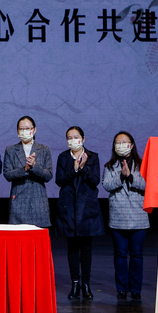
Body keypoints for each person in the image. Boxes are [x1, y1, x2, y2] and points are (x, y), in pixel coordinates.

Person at [56, 126, 104, 300]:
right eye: (69, 138)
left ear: (83, 139)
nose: (73, 140)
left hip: (87, 209)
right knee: (72, 246)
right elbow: (59, 180)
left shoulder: (92, 157)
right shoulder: (63, 157)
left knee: (86, 247)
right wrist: (74, 169)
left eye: (76, 137)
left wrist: (83, 168)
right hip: (68, 208)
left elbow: (95, 181)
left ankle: (86, 284)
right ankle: (75, 283)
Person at [102, 131, 149, 301]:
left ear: (132, 144)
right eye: (118, 143)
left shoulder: (142, 164)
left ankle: (135, 289)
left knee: (137, 255)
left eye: (124, 142)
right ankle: (121, 289)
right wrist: (121, 176)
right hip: (118, 217)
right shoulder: (109, 166)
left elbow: (148, 185)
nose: (121, 145)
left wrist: (131, 177)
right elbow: (106, 185)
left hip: (138, 217)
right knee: (120, 254)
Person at [2, 116, 52, 228]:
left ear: (34, 130)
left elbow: (48, 175)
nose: (24, 131)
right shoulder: (11, 150)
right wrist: (24, 169)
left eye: (28, 128)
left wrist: (34, 166)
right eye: (21, 129)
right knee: (18, 236)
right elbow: (7, 174)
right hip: (18, 201)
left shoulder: (44, 149)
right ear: (17, 131)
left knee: (38, 236)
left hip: (38, 202)